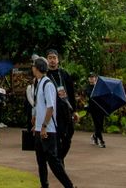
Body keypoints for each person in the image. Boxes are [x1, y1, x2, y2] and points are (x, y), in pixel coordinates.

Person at [28, 56, 75, 188]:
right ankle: (44, 185)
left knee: (54, 163)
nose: (32, 68)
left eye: (33, 66)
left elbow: (50, 107)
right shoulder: (38, 83)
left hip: (48, 130)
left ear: (37, 68)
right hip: (39, 129)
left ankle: (69, 186)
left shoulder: (47, 84)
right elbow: (39, 106)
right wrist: (36, 124)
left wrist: (43, 126)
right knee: (40, 161)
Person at [44, 48, 76, 160]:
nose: (52, 60)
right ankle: (59, 162)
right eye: (50, 58)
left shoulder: (64, 74)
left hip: (66, 109)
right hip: (53, 112)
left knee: (68, 136)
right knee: (56, 137)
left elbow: (71, 93)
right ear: (47, 60)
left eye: (54, 58)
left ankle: (59, 158)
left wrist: (74, 111)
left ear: (58, 60)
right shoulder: (45, 76)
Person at [85, 71, 107, 146]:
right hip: (93, 109)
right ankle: (101, 141)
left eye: (93, 77)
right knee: (97, 125)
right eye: (90, 77)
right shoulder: (88, 88)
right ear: (88, 79)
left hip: (100, 109)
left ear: (96, 78)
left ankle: (94, 136)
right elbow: (90, 95)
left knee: (100, 126)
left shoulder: (99, 87)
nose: (91, 78)